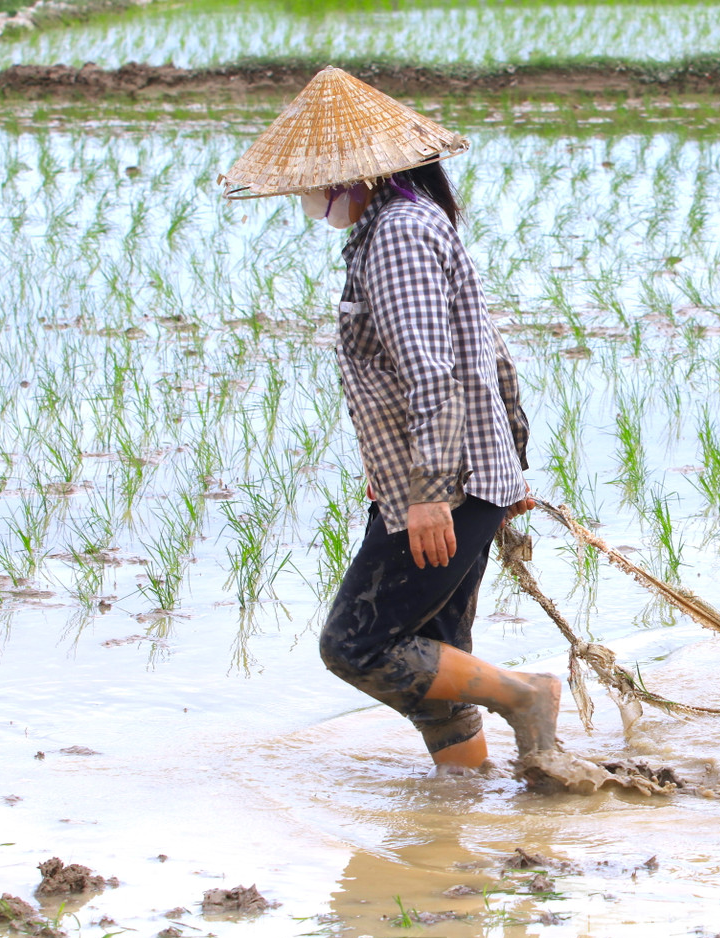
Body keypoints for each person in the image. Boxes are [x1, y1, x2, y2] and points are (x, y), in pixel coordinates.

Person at [221, 66, 560, 770]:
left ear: (356, 176)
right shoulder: (407, 222)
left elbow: (429, 372)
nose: (311, 198)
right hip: (462, 479)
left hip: (446, 486)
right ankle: (456, 834)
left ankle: (527, 693)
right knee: (437, 670)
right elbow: (490, 356)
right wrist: (510, 466)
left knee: (357, 644)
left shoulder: (398, 234)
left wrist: (433, 490)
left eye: (315, 183)